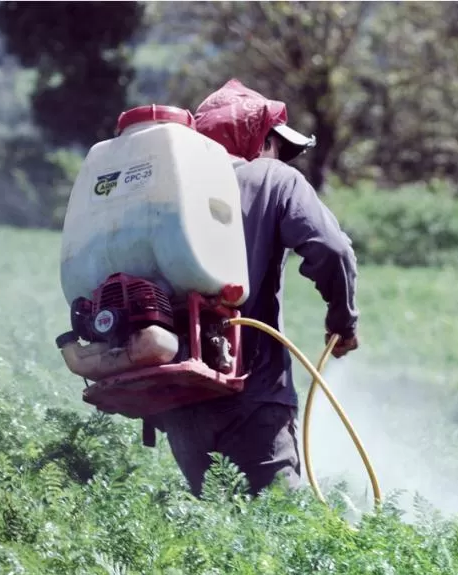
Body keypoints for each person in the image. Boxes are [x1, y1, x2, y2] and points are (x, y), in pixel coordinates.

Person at [150, 79, 360, 498]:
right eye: (276, 144)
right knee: (279, 531)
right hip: (252, 393)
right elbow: (333, 251)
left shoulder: (166, 189)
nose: (279, 155)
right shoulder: (274, 179)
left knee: (221, 529)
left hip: (178, 398)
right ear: (258, 138)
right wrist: (343, 323)